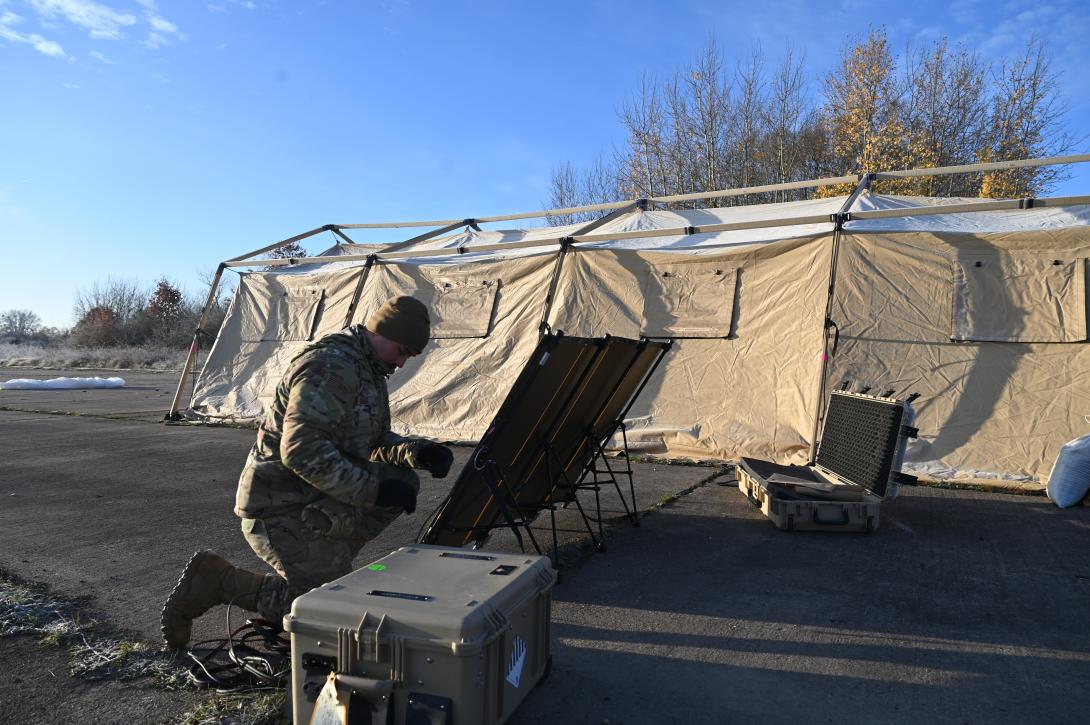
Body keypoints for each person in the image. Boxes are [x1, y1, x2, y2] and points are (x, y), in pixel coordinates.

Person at [161, 295, 454, 649]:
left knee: (402, 480)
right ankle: (217, 581)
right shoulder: (331, 368)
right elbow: (302, 451)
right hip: (278, 506)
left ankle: (327, 565)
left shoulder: (368, 368)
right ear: (381, 331)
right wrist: (372, 492)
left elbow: (368, 439)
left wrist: (418, 452)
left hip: (315, 499)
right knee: (331, 611)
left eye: (411, 355)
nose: (403, 361)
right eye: (402, 350)